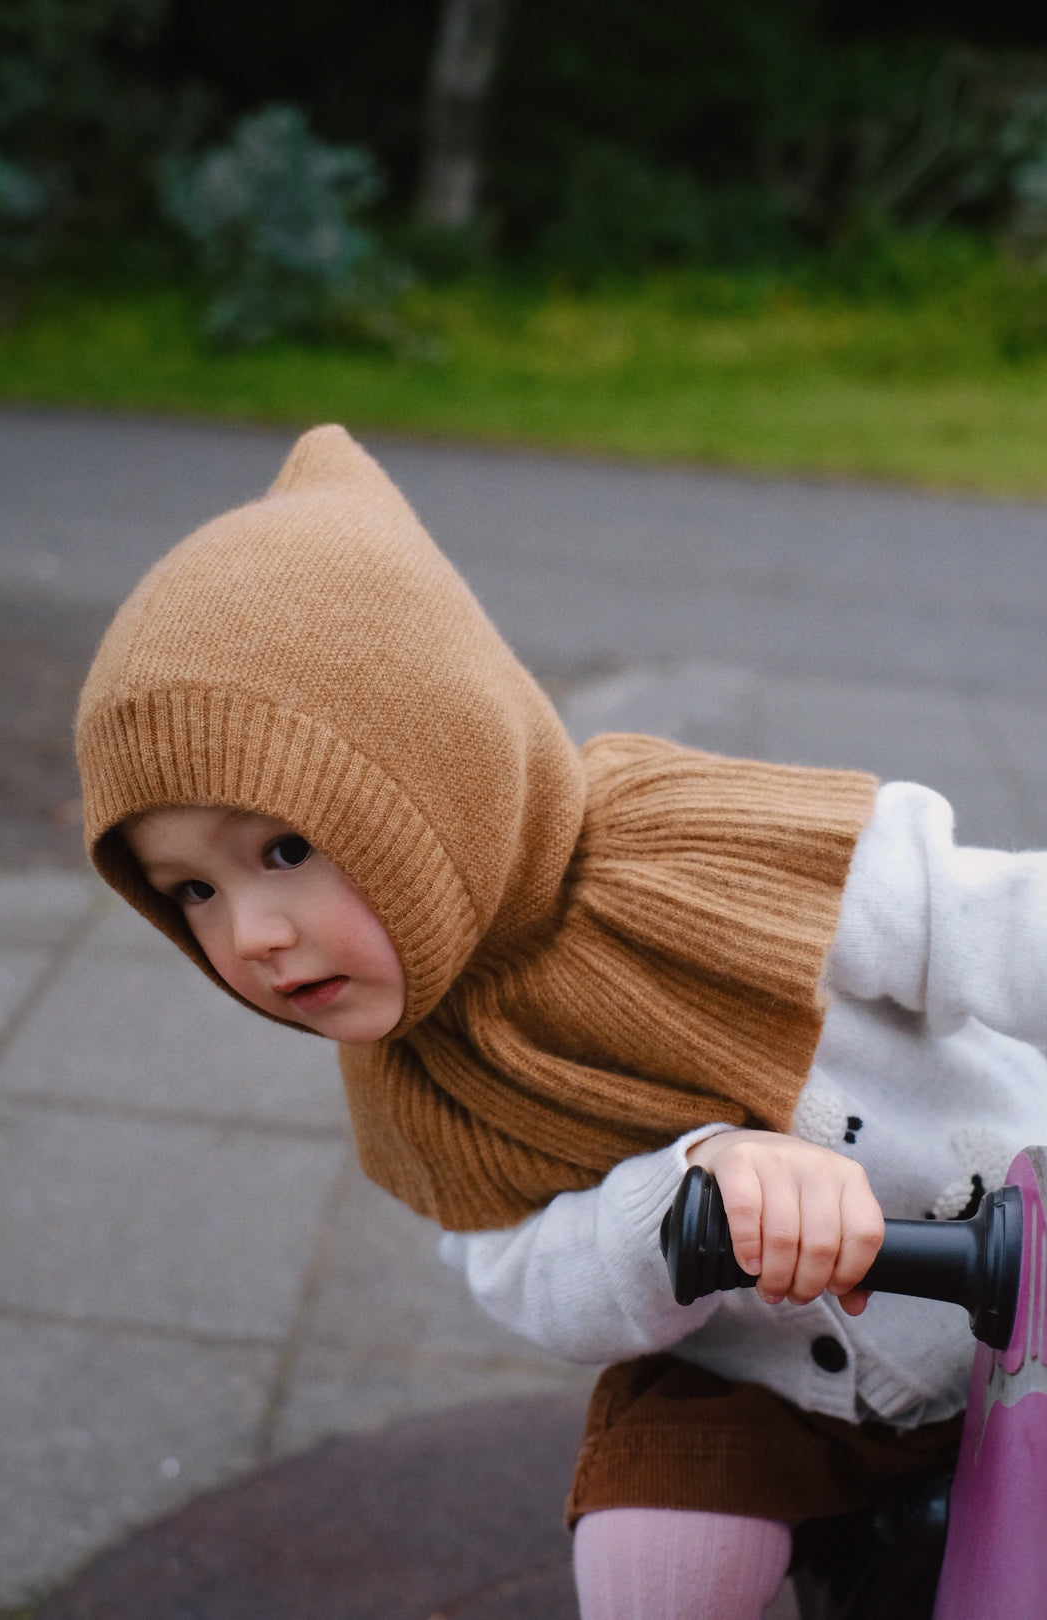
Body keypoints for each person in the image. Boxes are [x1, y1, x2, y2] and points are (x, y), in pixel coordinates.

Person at [75, 424, 1047, 1620]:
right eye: (194, 892)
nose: (253, 934)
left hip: (1013, 1250)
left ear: (437, 769)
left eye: (284, 850)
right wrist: (683, 1203)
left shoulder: (686, 842)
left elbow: (982, 917)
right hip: (766, 1380)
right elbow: (524, 1274)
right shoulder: (410, 1076)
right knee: (652, 1549)